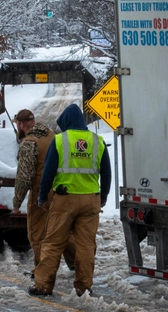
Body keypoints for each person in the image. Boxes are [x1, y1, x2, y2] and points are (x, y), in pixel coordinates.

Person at [29, 104, 111, 297]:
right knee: (85, 246)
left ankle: (43, 286)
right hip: (91, 200)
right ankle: (83, 288)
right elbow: (107, 173)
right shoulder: (97, 141)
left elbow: (48, 173)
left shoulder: (60, 141)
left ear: (66, 122)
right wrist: (103, 197)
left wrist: (42, 197)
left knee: (54, 242)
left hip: (65, 200)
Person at [11, 109, 75, 275]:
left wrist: (17, 203)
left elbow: (24, 177)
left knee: (38, 234)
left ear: (21, 124)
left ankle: (41, 272)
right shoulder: (53, 136)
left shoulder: (29, 143)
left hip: (41, 194)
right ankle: (78, 264)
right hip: (62, 191)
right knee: (63, 230)